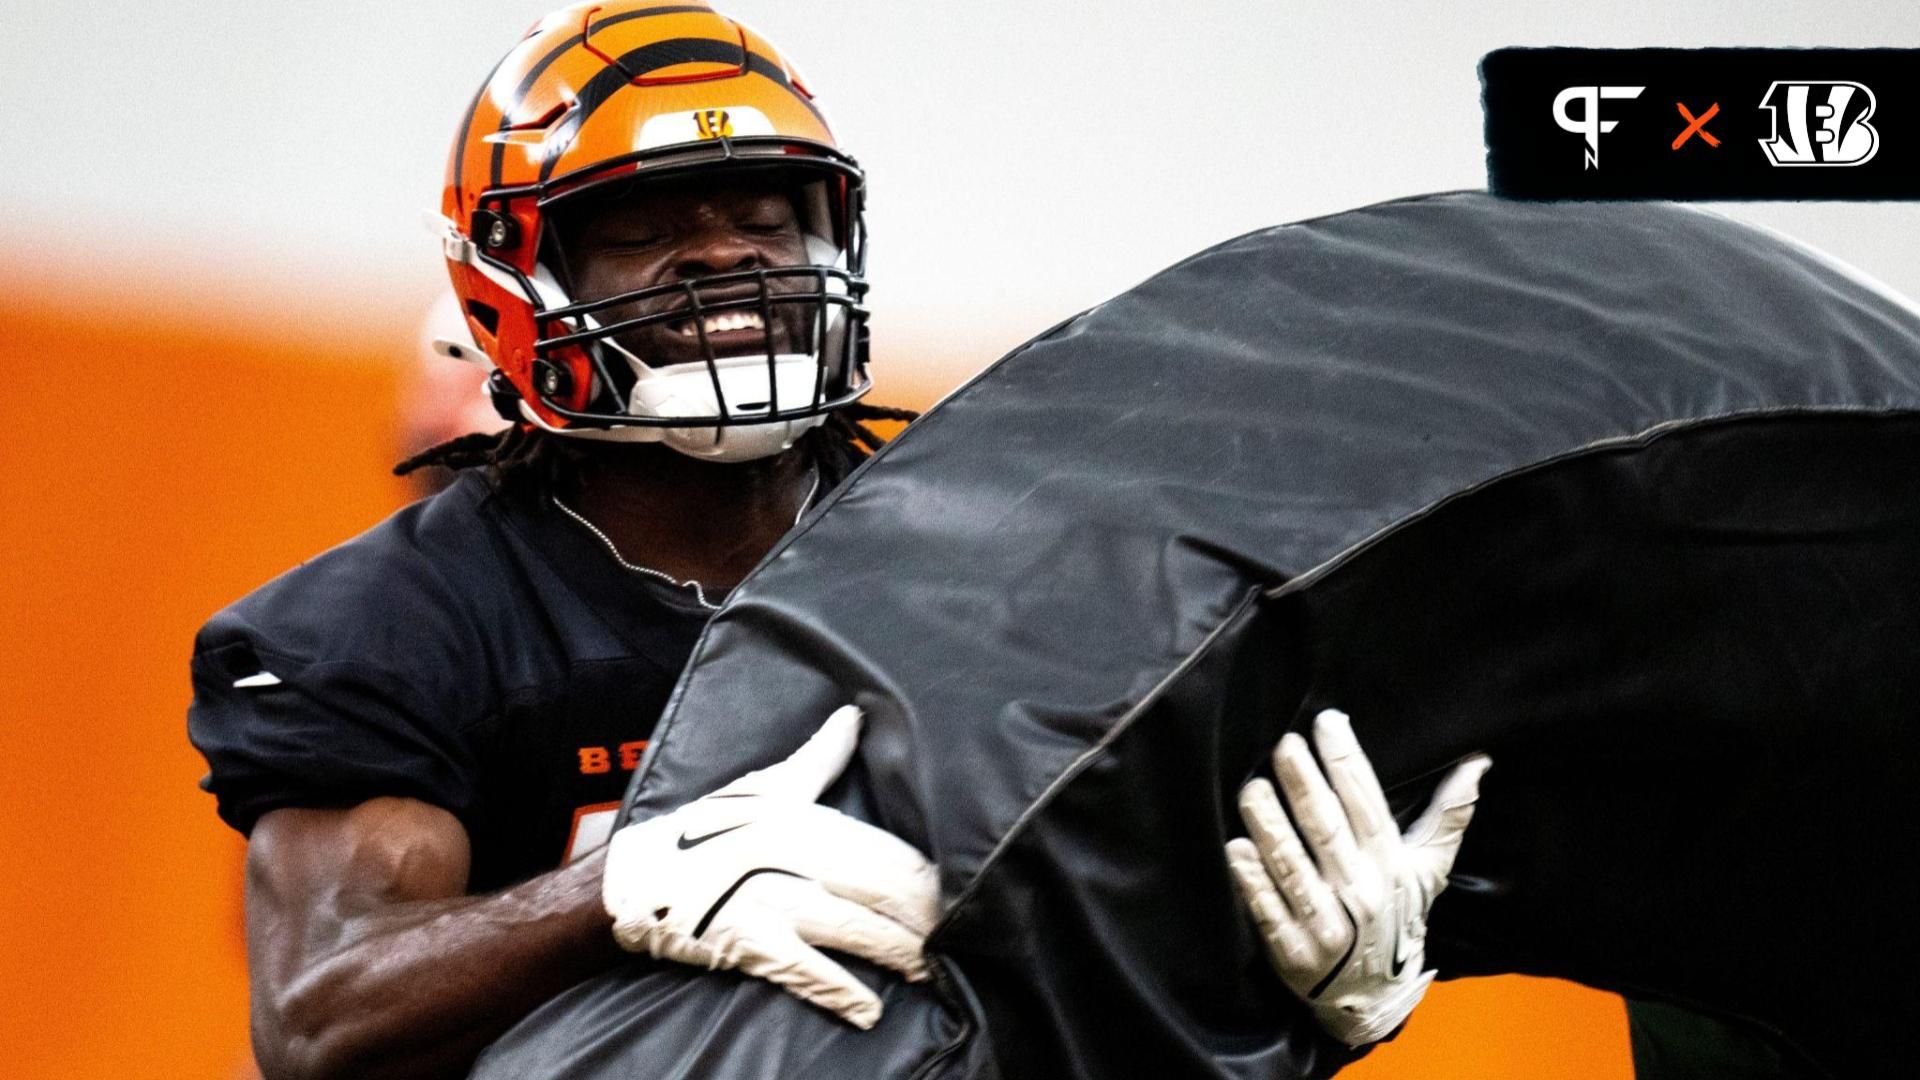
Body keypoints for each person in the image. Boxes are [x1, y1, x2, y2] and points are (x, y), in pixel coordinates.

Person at [188, 3, 1486, 1077]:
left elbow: (1082, 979)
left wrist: (1299, 1011)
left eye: (764, 217)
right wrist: (622, 893)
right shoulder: (402, 623)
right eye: (642, 227)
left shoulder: (1001, 558)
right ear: (515, 279)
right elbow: (317, 1017)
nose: (722, 259)